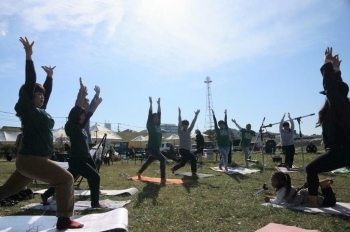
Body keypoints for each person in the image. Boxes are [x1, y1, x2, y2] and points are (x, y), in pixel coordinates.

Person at [0, 37, 83, 229]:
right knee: (66, 179)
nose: (42, 97)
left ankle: (63, 218)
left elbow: (46, 95)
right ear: (30, 96)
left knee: (8, 190)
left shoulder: (39, 111)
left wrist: (50, 78)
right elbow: (30, 83)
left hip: (31, 162)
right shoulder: (26, 108)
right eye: (39, 94)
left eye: (43, 95)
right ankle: (64, 219)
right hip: (32, 160)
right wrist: (29, 56)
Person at [41, 78, 103, 209]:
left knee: (69, 179)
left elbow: (89, 113)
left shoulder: (81, 126)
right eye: (80, 115)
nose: (82, 117)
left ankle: (46, 194)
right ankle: (95, 203)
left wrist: (96, 103)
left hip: (85, 157)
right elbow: (77, 109)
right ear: (74, 116)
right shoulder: (71, 126)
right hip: (77, 160)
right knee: (95, 177)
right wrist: (81, 94)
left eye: (83, 115)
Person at [306, 47, 350, 207]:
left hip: (340, 151)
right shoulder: (343, 104)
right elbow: (338, 86)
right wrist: (336, 69)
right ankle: (325, 192)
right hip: (343, 150)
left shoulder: (338, 104)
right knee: (313, 169)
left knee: (310, 169)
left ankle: (313, 201)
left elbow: (332, 87)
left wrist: (327, 63)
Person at [137, 97, 167, 183]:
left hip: (156, 149)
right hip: (151, 148)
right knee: (163, 159)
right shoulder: (150, 125)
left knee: (148, 162)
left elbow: (160, 113)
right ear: (151, 119)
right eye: (155, 118)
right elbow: (150, 114)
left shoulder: (158, 125)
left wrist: (158, 104)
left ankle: (139, 172)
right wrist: (151, 104)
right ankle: (163, 178)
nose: (157, 119)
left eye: (157, 118)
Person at [264, 171, 336, 207]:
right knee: (327, 200)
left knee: (330, 203)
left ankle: (324, 187)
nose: (271, 182)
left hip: (301, 198)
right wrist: (272, 197)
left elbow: (278, 202)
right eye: (271, 180)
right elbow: (281, 198)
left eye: (274, 181)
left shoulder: (281, 190)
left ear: (281, 182)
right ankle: (325, 186)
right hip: (300, 194)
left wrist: (270, 200)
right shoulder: (285, 186)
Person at [171, 108, 200, 175]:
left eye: (187, 125)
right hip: (182, 150)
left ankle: (173, 168)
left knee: (182, 163)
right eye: (184, 125)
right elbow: (179, 123)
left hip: (187, 150)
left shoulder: (189, 131)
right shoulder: (180, 132)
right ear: (182, 125)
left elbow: (193, 123)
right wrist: (179, 114)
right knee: (193, 157)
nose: (186, 126)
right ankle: (194, 172)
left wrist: (196, 115)